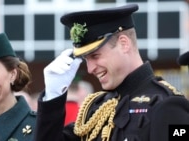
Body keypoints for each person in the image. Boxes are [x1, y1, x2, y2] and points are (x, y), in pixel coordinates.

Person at [34, 4, 189, 141]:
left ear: (124, 43)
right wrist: (53, 95)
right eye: (86, 59)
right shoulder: (95, 108)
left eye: (95, 56)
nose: (90, 69)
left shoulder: (167, 105)